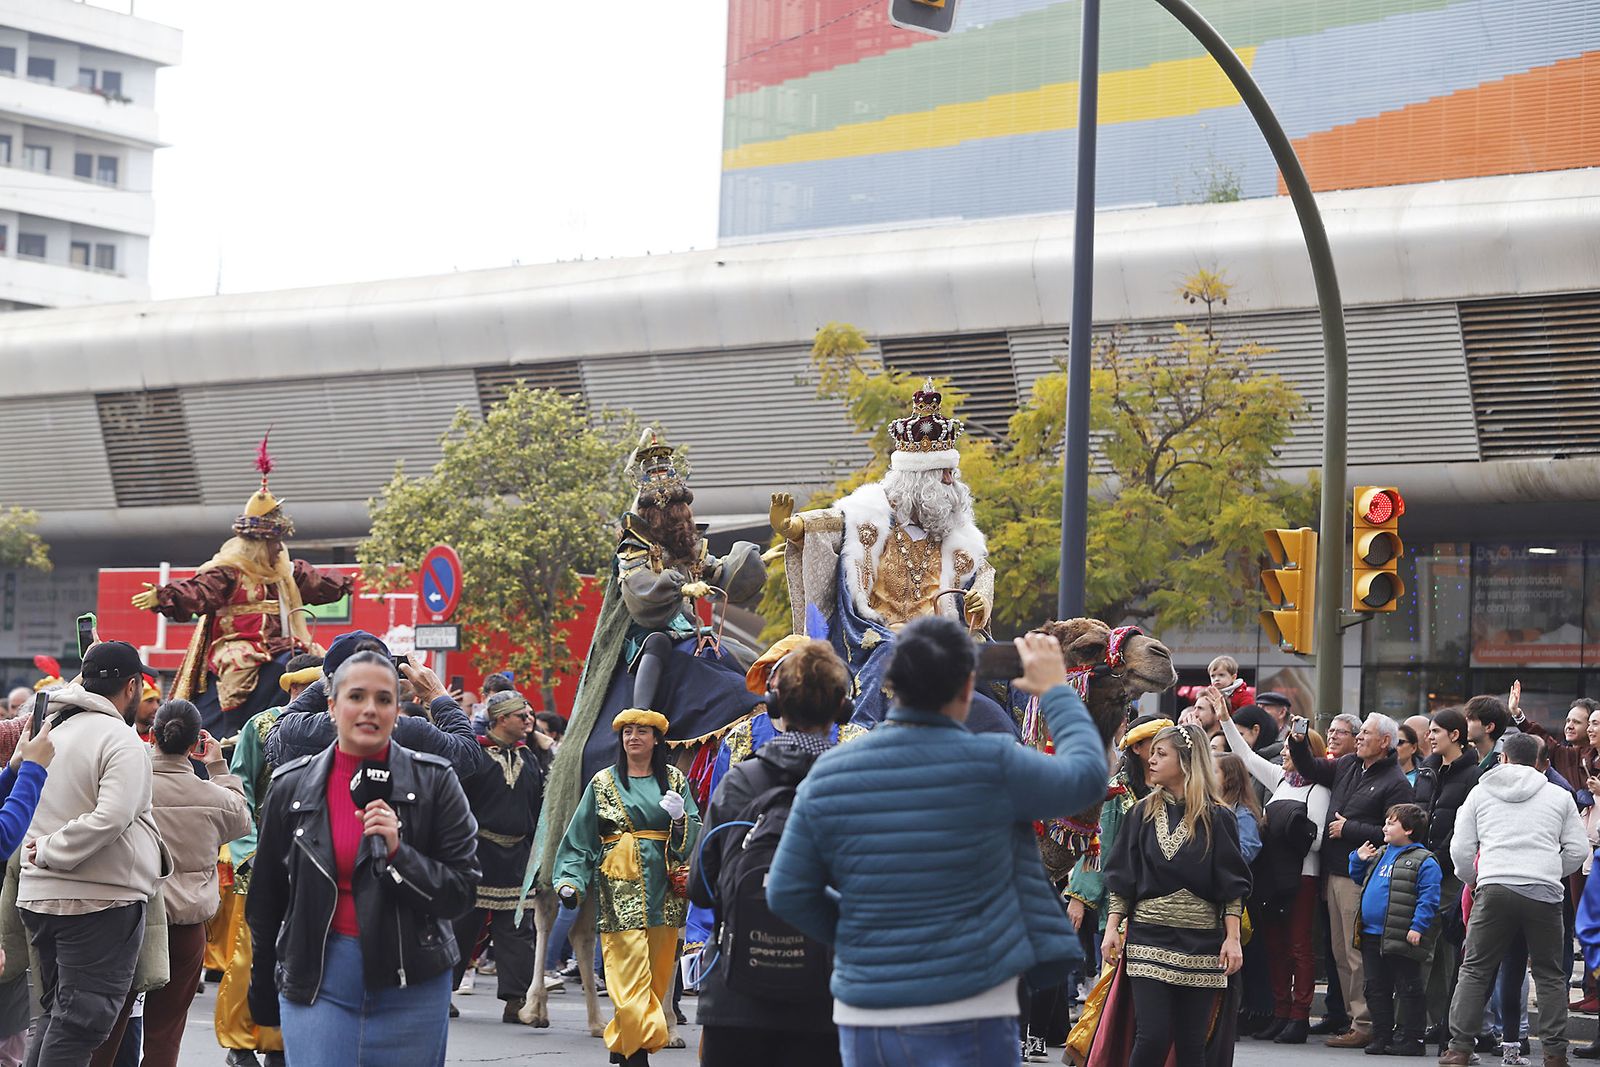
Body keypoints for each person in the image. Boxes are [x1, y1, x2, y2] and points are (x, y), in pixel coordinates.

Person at [766, 620, 1109, 1067]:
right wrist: (1056, 691)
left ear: (890, 684)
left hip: (869, 1004)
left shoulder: (831, 773)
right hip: (974, 1002)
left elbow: (787, 891)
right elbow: (1088, 777)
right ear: (967, 687)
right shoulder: (994, 763)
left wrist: (861, 933)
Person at [246, 651, 481, 1067]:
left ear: (398, 711)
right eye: (356, 696)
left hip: (413, 981)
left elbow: (461, 893)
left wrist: (398, 855)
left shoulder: (435, 781)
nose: (370, 709)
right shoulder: (291, 785)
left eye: (384, 698)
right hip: (318, 977)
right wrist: (263, 988)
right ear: (332, 706)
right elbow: (266, 901)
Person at [769, 382, 1014, 736]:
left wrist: (981, 600)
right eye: (943, 473)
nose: (952, 481)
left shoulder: (957, 538)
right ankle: (859, 735)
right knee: (890, 656)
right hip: (877, 640)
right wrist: (791, 527)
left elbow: (982, 575)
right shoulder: (867, 519)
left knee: (1007, 679)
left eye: (951, 472)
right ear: (917, 479)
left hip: (940, 649)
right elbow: (828, 526)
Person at [691, 638, 852, 1067]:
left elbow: (701, 888)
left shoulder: (740, 781)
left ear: (775, 703)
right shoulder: (854, 787)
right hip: (826, 1000)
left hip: (736, 996)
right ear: (842, 707)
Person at [130, 438, 352, 734]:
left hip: (280, 644)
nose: (279, 548)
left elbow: (317, 583)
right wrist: (164, 596)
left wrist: (346, 583)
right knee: (239, 665)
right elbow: (199, 591)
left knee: (312, 662)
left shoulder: (285, 572)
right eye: (274, 542)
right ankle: (231, 732)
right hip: (237, 643)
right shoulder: (229, 570)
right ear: (259, 544)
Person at [18, 641, 167, 1067]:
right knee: (79, 1023)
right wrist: (52, 850)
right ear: (133, 686)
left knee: (57, 1017)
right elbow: (112, 817)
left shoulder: (50, 729)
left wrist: (45, 853)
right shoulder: (120, 739)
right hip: (98, 899)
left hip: (41, 896)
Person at [94, 700, 252, 1067]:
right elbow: (242, 818)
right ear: (196, 743)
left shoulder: (123, 786)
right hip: (184, 926)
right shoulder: (213, 797)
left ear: (151, 737)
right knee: (165, 1035)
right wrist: (217, 766)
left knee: (107, 1028)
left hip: (126, 918)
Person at [553, 707, 702, 1067]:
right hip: (619, 889)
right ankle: (636, 1056)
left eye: (642, 731)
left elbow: (692, 836)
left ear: (657, 740)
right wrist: (570, 879)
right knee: (628, 971)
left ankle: (623, 1044)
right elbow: (580, 837)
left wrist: (681, 819)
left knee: (657, 974)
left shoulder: (675, 781)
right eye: (627, 732)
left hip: (664, 891)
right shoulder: (603, 782)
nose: (633, 737)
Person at [1099, 723, 1252, 1067]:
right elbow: (1123, 877)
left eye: (1160, 754)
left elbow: (1231, 885)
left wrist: (1232, 940)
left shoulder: (1218, 817)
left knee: (1191, 1046)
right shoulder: (1140, 812)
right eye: (1152, 753)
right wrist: (1111, 929)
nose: (1151, 760)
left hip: (1203, 942)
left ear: (1185, 762)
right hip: (1148, 937)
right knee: (1151, 1037)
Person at [1440, 732, 1587, 1067]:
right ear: (1541, 763)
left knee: (1475, 969)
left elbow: (1460, 850)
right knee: (1549, 975)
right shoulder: (1559, 796)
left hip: (1494, 886)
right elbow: (1578, 850)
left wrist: (1474, 878)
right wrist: (1551, 871)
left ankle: (1459, 1049)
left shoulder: (1480, 793)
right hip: (1544, 891)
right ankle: (1554, 1054)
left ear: (1503, 758)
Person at [214, 655, 322, 1067]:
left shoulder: (335, 728)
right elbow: (241, 790)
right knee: (249, 955)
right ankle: (240, 1043)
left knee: (301, 958)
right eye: (307, 687)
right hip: (263, 858)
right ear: (292, 688)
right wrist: (248, 851)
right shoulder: (261, 726)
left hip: (315, 863)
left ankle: (280, 1043)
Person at [1287, 712, 1413, 1048]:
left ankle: (1365, 1022)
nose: (1358, 738)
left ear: (1384, 742)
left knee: (1356, 954)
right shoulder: (1347, 764)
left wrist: (1350, 829)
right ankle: (1351, 1018)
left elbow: (1398, 832)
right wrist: (1298, 742)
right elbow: (1310, 768)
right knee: (1339, 953)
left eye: (1365, 733)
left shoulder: (1396, 782)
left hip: (1360, 876)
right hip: (1333, 871)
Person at [1221, 709, 1328, 1044]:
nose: (1283, 754)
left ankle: (1299, 1016)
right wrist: (1225, 718)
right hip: (1273, 876)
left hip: (1303, 876)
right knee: (1275, 945)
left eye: (1289, 749)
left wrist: (1283, 830)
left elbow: (1317, 841)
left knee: (1299, 946)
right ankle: (1280, 1013)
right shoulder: (1281, 780)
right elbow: (1245, 755)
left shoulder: (1318, 791)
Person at [265, 631, 487, 778]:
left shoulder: (297, 730)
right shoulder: (409, 731)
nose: (369, 711)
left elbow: (274, 736)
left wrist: (328, 681)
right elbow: (467, 755)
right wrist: (436, 694)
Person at [452, 689, 545, 1024]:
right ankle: (440, 992)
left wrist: (537, 855)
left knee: (517, 928)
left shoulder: (529, 758)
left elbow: (537, 809)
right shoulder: (473, 755)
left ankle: (516, 1000)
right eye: (522, 716)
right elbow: (455, 804)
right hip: (476, 853)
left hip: (517, 856)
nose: (528, 721)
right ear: (502, 719)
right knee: (461, 925)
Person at [1065, 715, 1172, 939]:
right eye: (1156, 743)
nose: (1159, 752)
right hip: (1125, 897)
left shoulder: (1177, 790)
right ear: (1136, 748)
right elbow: (1100, 844)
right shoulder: (1117, 791)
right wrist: (1078, 897)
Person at [1349, 803, 1442, 1056]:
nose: (1384, 828)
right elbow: (1359, 877)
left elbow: (1429, 898)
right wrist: (1357, 859)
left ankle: (1413, 1038)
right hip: (1371, 933)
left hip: (1401, 934)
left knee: (1408, 987)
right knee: (1375, 987)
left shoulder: (1424, 860)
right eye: (1386, 822)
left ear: (1409, 830)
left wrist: (1418, 927)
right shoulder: (1380, 853)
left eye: (1391, 823)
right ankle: (1382, 1035)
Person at [1414, 707, 1483, 1044]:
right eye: (1428, 731)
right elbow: (1418, 814)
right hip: (1423, 867)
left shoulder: (1472, 774)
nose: (1429, 737)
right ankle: (1429, 1021)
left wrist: (1436, 860)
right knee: (1424, 948)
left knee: (1448, 951)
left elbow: (1463, 826)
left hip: (1451, 871)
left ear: (1455, 735)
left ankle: (1450, 1025)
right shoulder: (1427, 770)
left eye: (1436, 731)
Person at [1465, 694, 1513, 771]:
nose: (1464, 724)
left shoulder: (1508, 761)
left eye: (1471, 719)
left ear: (1489, 727)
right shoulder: (1464, 756)